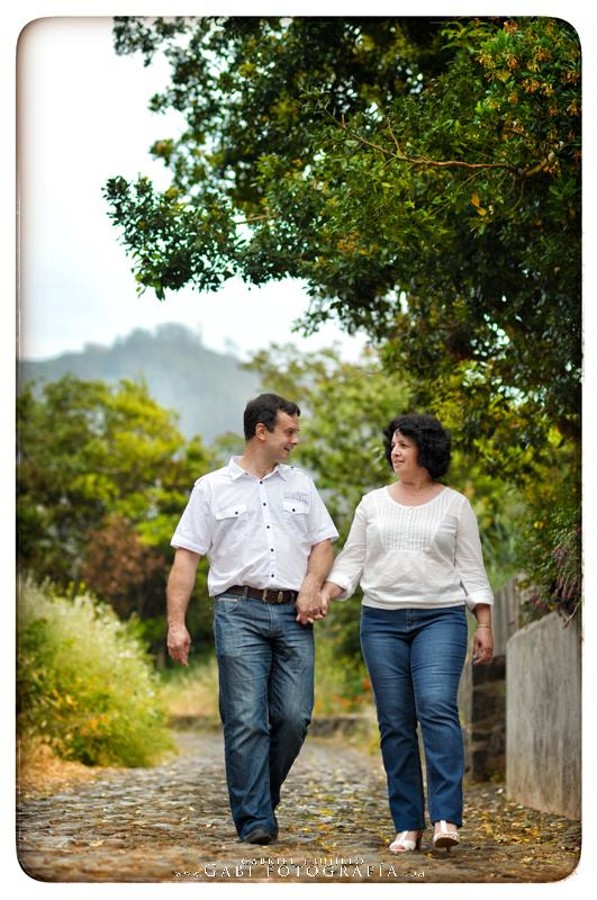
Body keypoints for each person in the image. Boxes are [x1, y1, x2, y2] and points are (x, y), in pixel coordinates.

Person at [166, 392, 338, 845]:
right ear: (261, 431)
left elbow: (323, 543)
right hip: (237, 612)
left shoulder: (301, 485)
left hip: (293, 614)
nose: (295, 441)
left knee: (294, 716)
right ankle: (256, 818)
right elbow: (186, 560)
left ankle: (258, 795)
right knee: (245, 719)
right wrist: (175, 624)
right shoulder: (210, 488)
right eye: (289, 431)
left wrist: (310, 586)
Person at [320, 413, 494, 854]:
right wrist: (326, 591)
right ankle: (407, 825)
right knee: (395, 723)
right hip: (381, 622)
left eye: (405, 444)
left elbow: (471, 568)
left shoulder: (455, 505)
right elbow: (352, 560)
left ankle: (445, 819)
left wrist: (485, 621)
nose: (395, 451)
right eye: (393, 444)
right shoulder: (372, 503)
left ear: (426, 450)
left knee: (436, 708)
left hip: (441, 619)